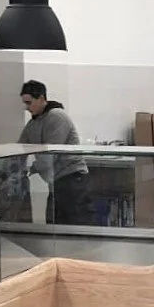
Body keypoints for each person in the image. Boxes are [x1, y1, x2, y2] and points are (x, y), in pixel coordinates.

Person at [16, 80, 93, 225]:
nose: (27, 107)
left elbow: (50, 154)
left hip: (72, 179)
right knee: (56, 224)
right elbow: (20, 148)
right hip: (56, 181)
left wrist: (30, 169)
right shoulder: (34, 123)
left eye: (29, 102)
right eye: (25, 103)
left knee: (74, 224)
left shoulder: (56, 117)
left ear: (41, 98)